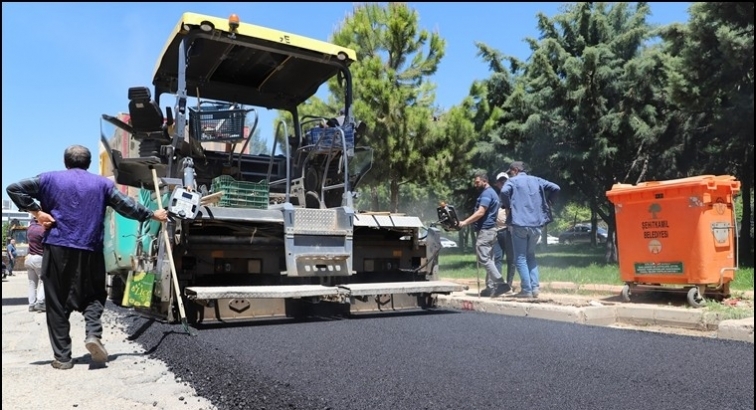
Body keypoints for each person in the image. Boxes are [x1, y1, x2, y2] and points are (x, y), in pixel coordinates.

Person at [6, 144, 168, 370]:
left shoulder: (48, 179)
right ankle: (93, 334)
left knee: (56, 301)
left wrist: (37, 212)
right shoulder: (102, 184)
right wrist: (152, 214)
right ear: (89, 163)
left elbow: (14, 188)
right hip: (91, 248)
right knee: (93, 294)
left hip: (58, 247)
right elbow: (126, 206)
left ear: (66, 162)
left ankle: (63, 358)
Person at [500, 161, 560, 299]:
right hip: (536, 225)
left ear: (515, 170)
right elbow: (556, 187)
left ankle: (526, 290)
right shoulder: (537, 180)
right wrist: (550, 201)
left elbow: (503, 191)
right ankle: (535, 288)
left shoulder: (513, 181)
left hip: (519, 224)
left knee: (520, 258)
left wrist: (508, 205)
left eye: (510, 173)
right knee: (530, 256)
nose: (510, 175)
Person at [457, 171, 508, 298]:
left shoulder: (486, 194)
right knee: (489, 259)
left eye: (477, 182)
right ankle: (490, 287)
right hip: (492, 230)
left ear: (485, 181)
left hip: (486, 231)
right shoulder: (493, 194)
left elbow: (480, 212)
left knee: (483, 257)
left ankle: (501, 283)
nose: (475, 184)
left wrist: (464, 222)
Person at [492, 172, 516, 294]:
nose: (503, 183)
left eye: (505, 181)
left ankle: (509, 285)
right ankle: (499, 284)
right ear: (497, 184)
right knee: (497, 258)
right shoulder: (496, 197)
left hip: (509, 230)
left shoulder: (512, 195)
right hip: (497, 231)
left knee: (511, 259)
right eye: (500, 181)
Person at [26, 218, 46, 312]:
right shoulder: (42, 230)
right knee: (44, 281)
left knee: (32, 283)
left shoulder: (30, 229)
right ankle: (40, 302)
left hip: (29, 258)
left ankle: (31, 304)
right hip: (39, 258)